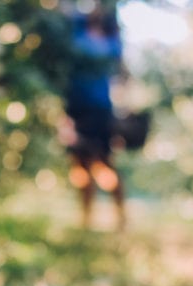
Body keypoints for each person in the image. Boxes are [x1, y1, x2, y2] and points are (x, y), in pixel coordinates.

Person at [60, 4, 126, 231]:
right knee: (79, 165)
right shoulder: (74, 28)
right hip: (75, 108)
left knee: (105, 162)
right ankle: (86, 218)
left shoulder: (112, 39)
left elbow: (121, 70)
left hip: (101, 109)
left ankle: (121, 217)